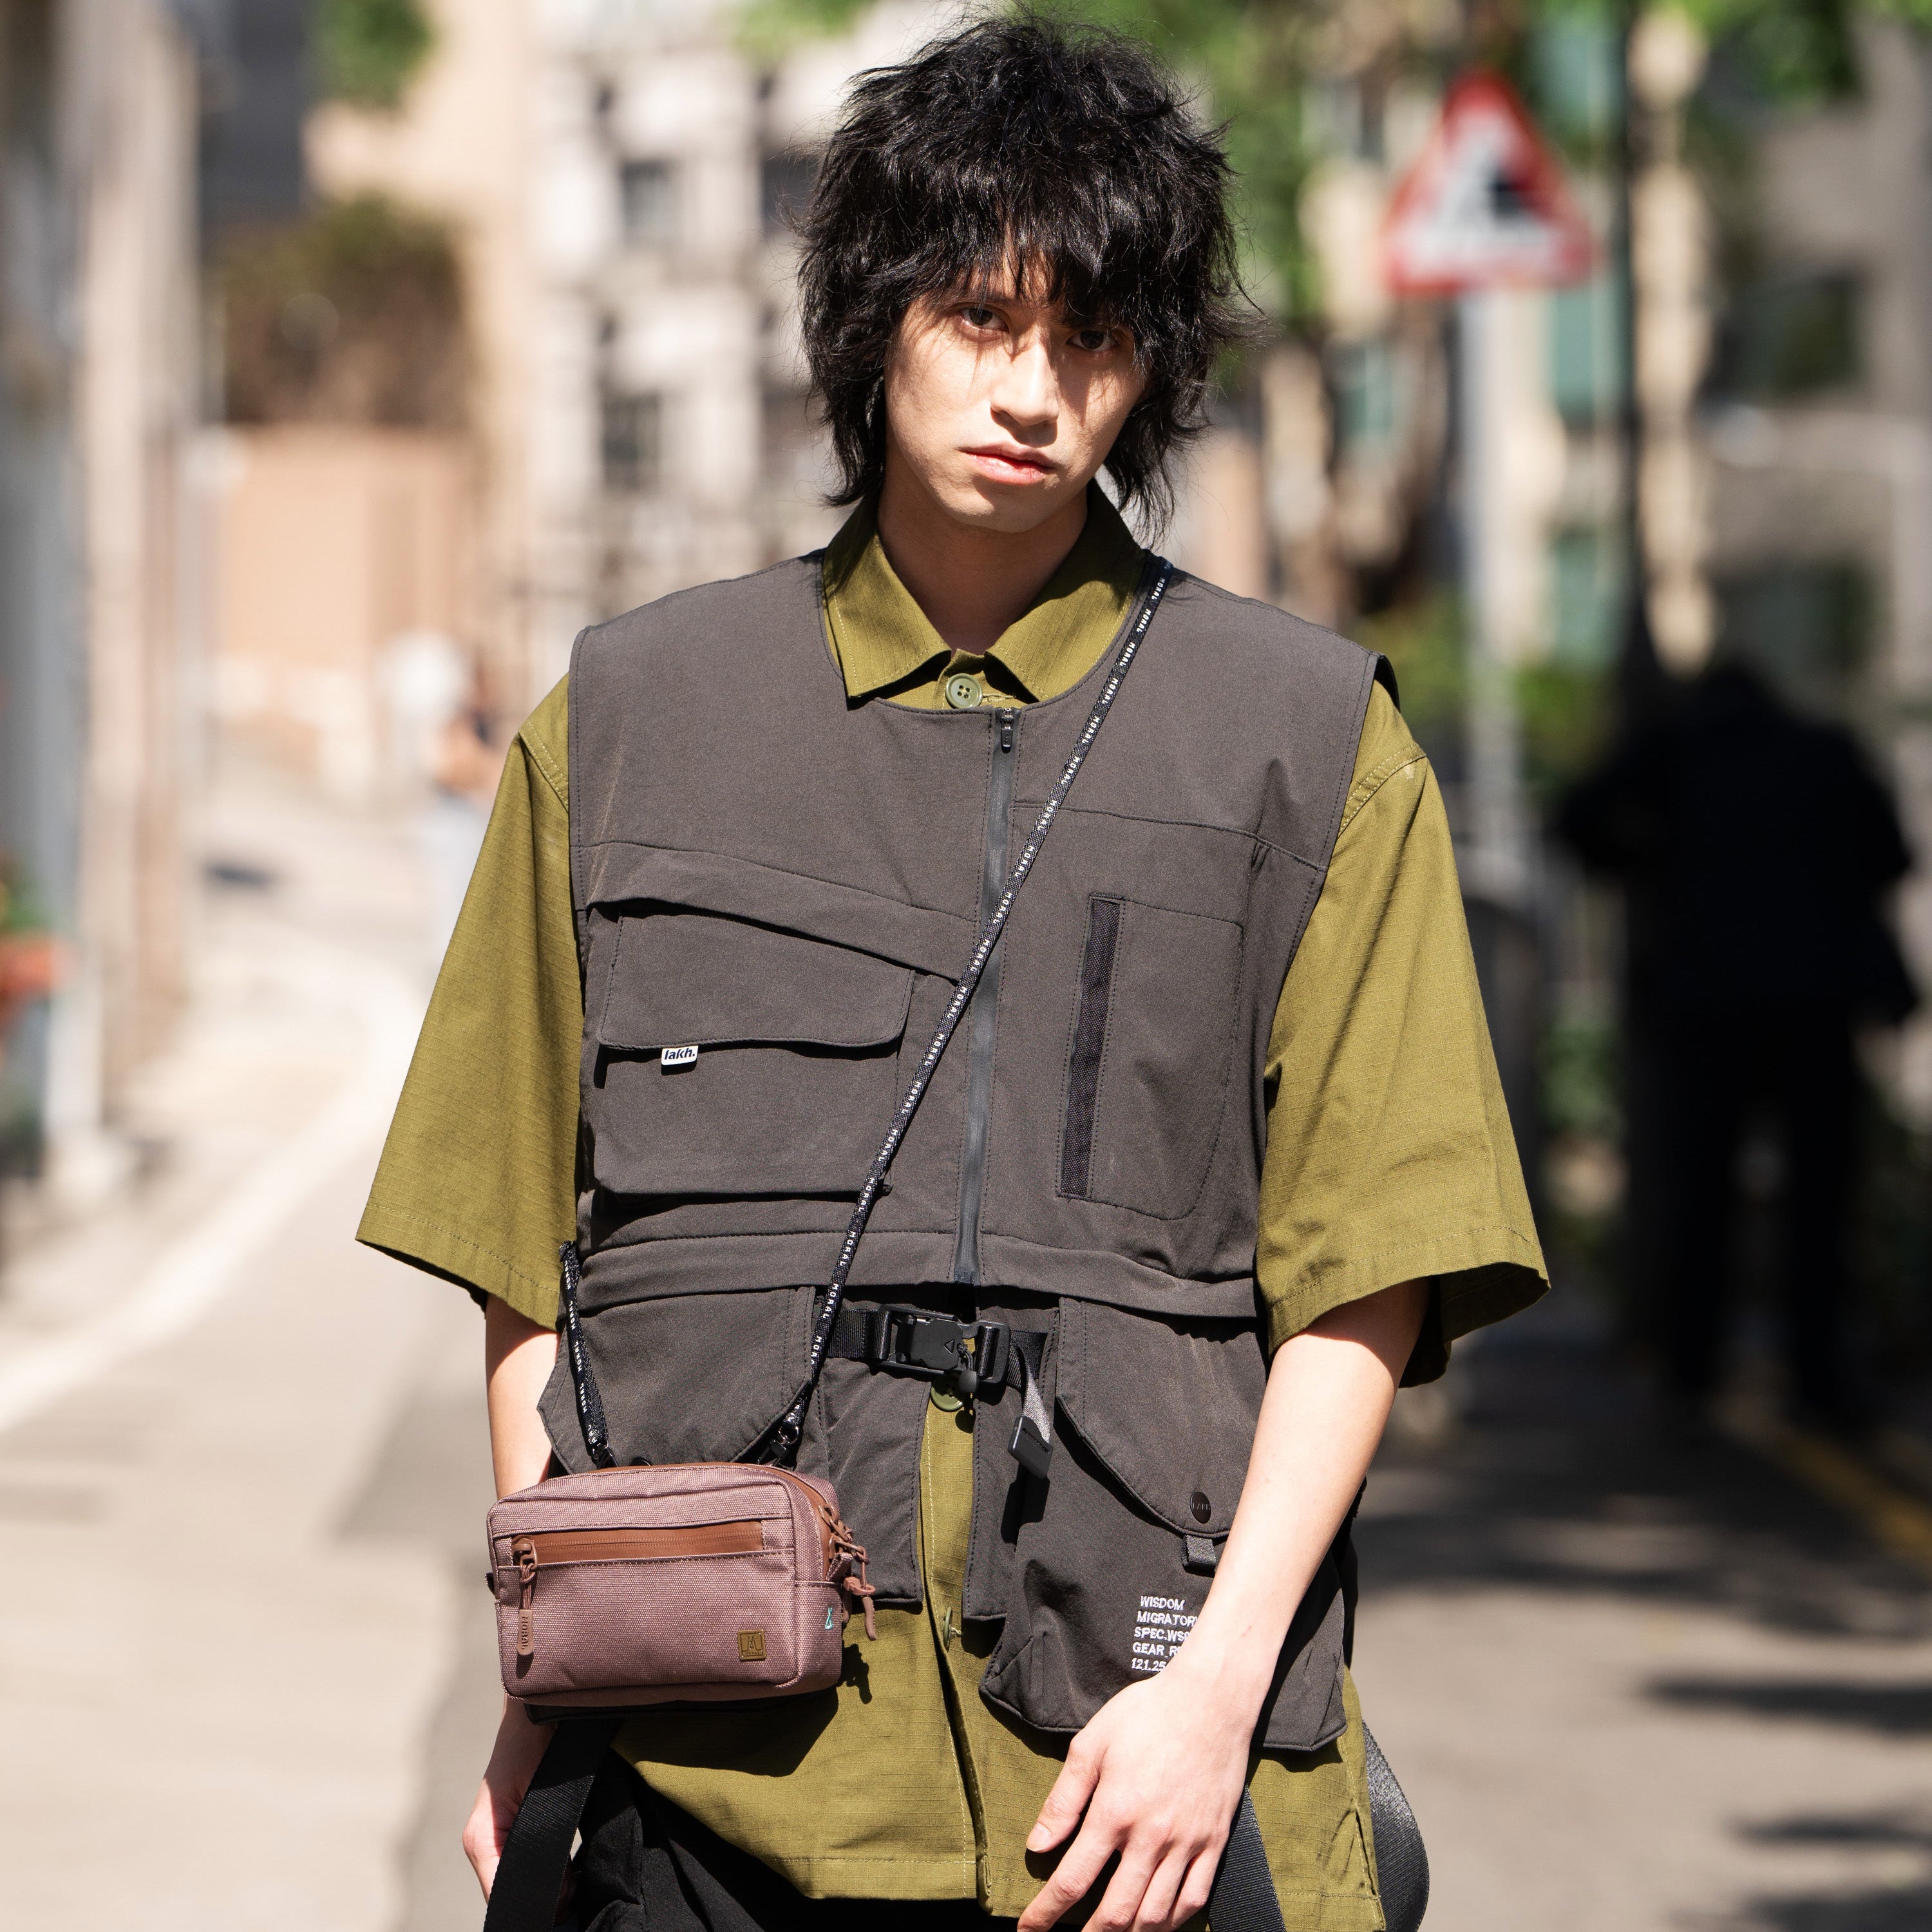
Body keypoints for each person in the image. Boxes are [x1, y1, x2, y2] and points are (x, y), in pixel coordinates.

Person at [359, 19, 1546, 1930]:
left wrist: (1216, 1695)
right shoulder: (633, 721)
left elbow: (1370, 1273)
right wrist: (554, 1663)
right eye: (981, 318)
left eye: (1091, 336)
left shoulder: (1305, 740)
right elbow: (520, 1251)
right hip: (702, 1772)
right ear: (871, 319)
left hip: (1130, 1780)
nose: (1033, 389)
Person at [1559, 660, 1914, 1434]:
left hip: (1708, 1008)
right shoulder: (1821, 752)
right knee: (1820, 1199)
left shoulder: (1675, 753)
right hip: (1814, 1005)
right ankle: (1818, 1378)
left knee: (1701, 1197)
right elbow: (1892, 856)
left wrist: (1654, 862)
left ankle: (1693, 1376)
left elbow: (1575, 821)